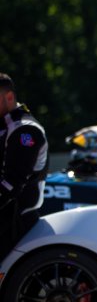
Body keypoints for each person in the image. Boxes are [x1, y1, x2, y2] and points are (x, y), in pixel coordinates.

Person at [0, 73, 48, 260]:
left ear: (9, 97)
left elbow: (11, 184)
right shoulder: (6, 126)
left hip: (16, 218)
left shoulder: (25, 130)